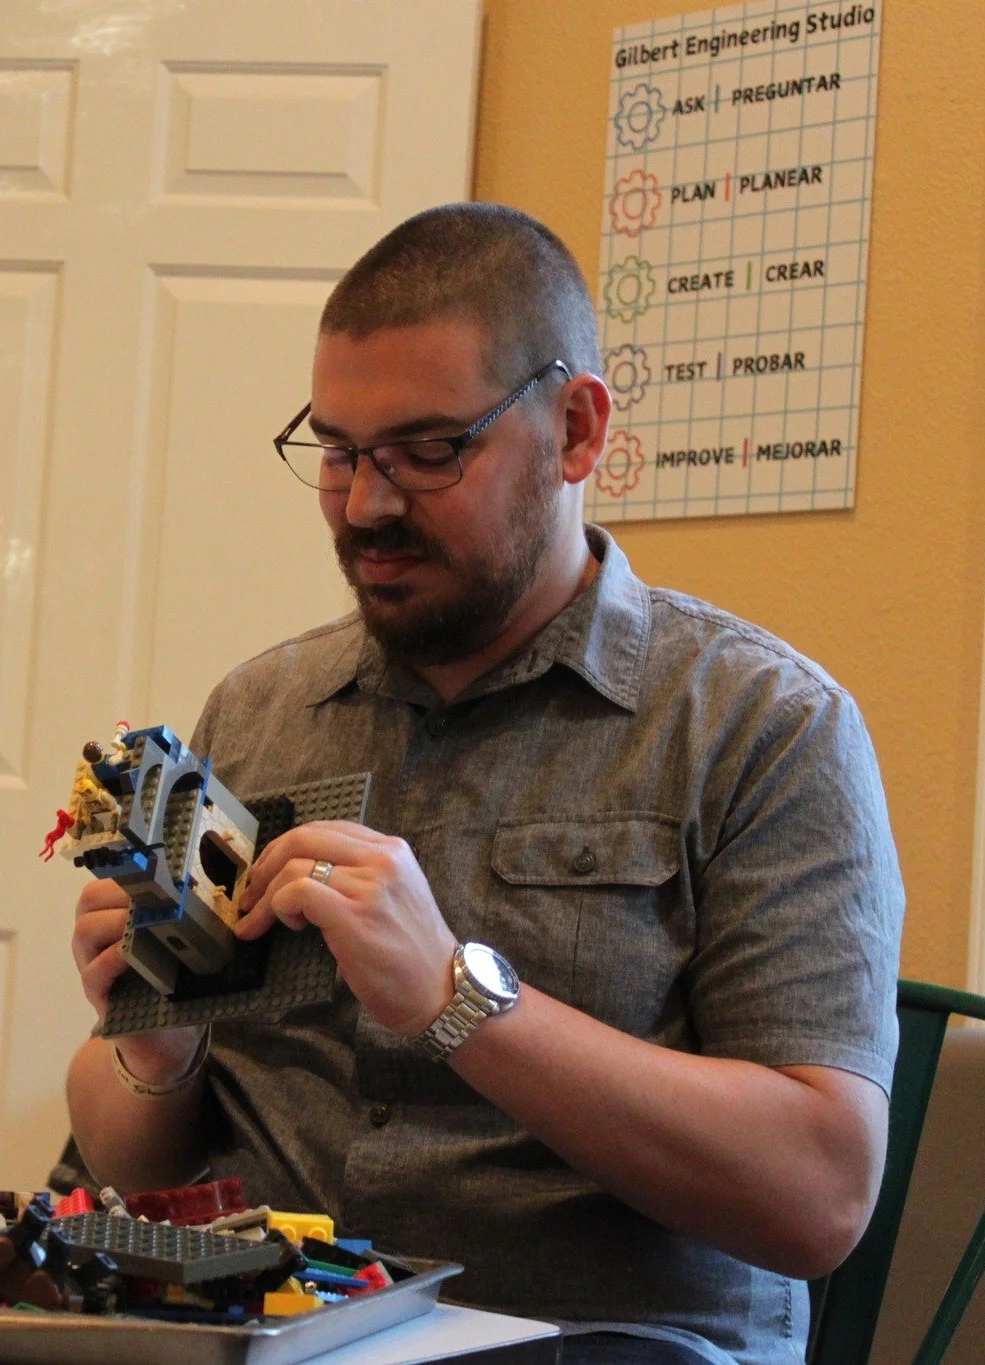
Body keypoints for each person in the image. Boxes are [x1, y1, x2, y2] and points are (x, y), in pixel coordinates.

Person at [64, 203, 902, 1365]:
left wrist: (456, 1000)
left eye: (428, 450)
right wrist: (151, 1051)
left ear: (575, 430)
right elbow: (131, 1164)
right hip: (270, 1326)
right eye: (341, 452)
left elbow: (816, 1199)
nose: (366, 505)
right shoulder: (255, 714)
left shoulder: (762, 728)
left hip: (600, 1338)